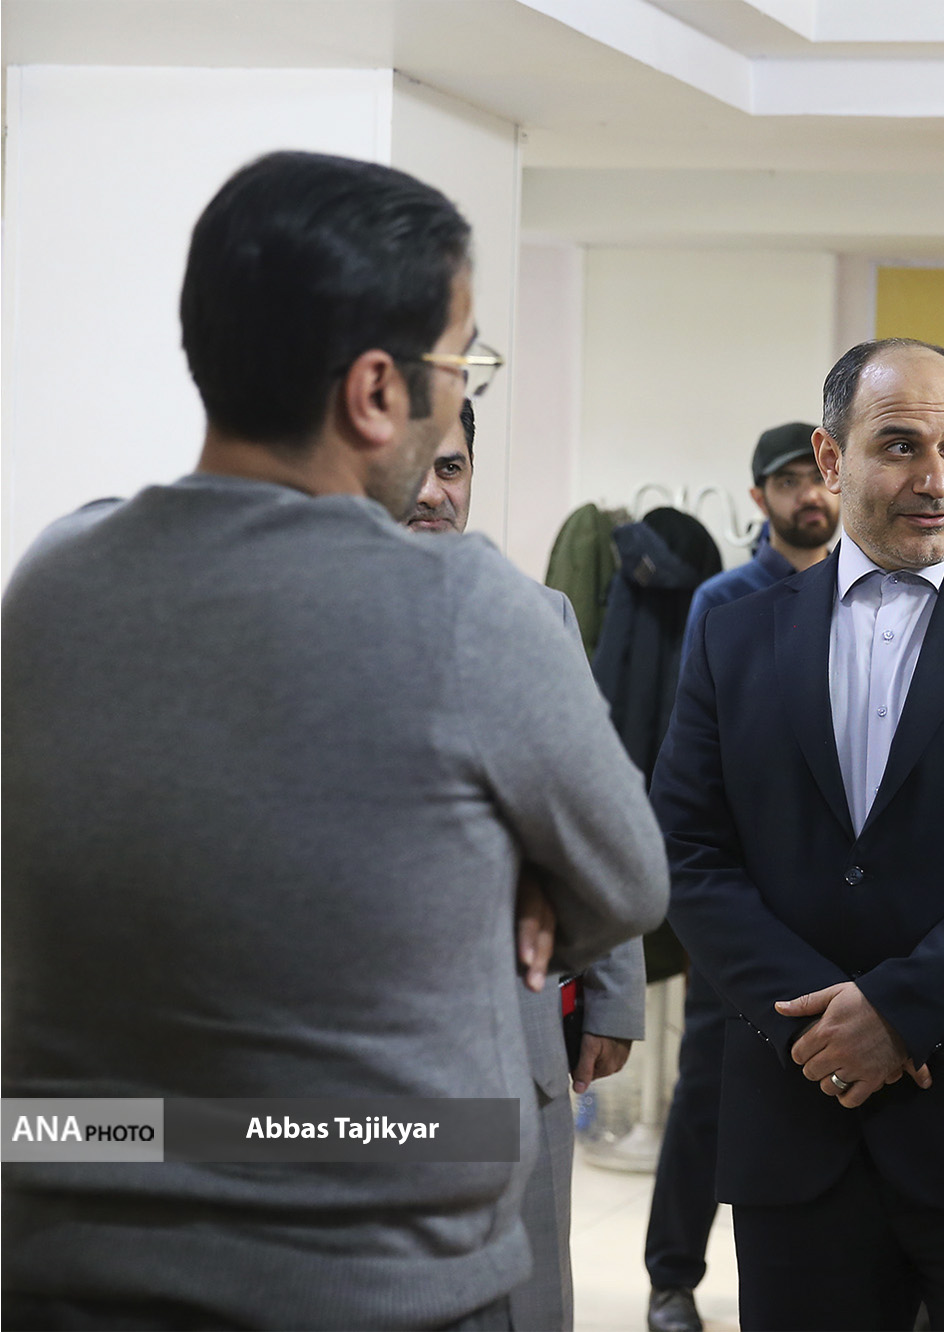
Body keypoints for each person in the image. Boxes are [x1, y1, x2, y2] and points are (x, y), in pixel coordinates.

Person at [0, 151, 669, 1331]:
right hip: (369, 1275)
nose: (458, 398)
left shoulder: (53, 577)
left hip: (70, 1245)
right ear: (374, 393)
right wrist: (502, 874)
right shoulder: (468, 609)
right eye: (459, 364)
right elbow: (626, 883)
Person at [653, 338, 944, 1331]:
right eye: (900, 445)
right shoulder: (733, 637)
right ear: (831, 459)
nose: (936, 479)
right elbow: (688, 852)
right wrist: (819, 1030)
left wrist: (901, 1011)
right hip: (799, 1122)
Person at [407, 399, 649, 1332]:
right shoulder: (301, 623)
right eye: (415, 468)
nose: (433, 492)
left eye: (452, 468)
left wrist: (614, 995)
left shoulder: (538, 617)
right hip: (365, 1048)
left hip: (516, 1026)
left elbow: (597, 818)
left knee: (527, 1290)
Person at [645, 420, 841, 1332]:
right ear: (759, 498)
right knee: (706, 1093)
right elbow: (699, 760)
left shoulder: (866, 593)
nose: (809, 495)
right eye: (787, 481)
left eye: (817, 477)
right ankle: (671, 1278)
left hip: (832, 897)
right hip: (738, 897)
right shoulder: (724, 602)